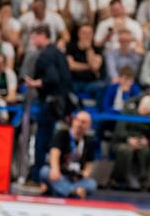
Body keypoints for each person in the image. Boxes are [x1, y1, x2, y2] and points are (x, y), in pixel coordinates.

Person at [26, 25, 73, 184]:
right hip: (62, 105)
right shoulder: (59, 53)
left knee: (43, 139)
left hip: (50, 104)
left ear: (42, 36)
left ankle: (37, 176)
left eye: (34, 37)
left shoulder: (46, 55)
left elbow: (52, 78)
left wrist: (35, 83)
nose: (33, 41)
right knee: (56, 139)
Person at [41, 111, 98, 198]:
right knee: (45, 171)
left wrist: (84, 174)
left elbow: (89, 165)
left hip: (75, 177)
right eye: (78, 120)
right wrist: (55, 169)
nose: (80, 124)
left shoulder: (89, 142)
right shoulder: (62, 134)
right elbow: (54, 152)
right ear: (73, 121)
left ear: (89, 126)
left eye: (83, 122)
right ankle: (72, 191)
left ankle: (62, 190)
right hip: (59, 174)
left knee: (92, 184)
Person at [111, 93, 150, 190]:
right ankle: (121, 179)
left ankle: (143, 178)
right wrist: (128, 139)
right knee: (126, 150)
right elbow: (119, 130)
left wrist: (147, 140)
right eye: (149, 112)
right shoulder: (129, 112)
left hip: (140, 142)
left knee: (146, 150)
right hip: (123, 140)